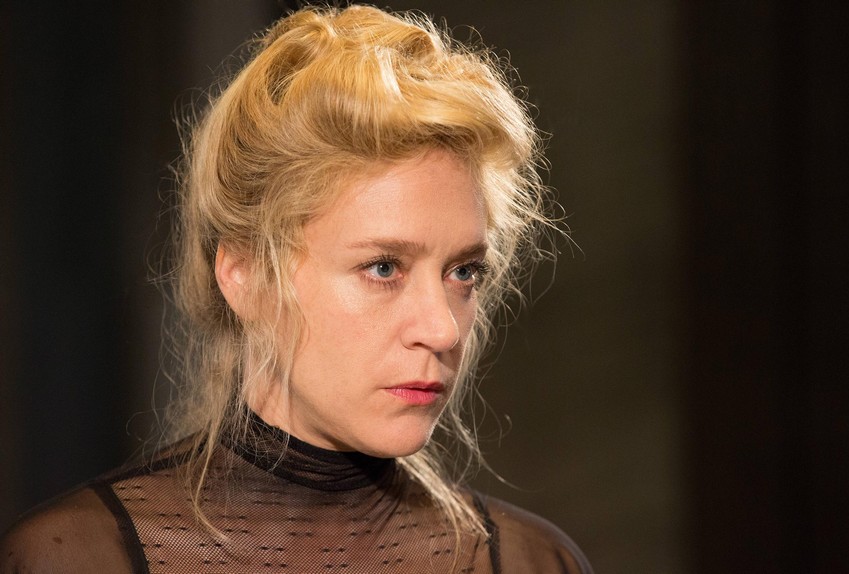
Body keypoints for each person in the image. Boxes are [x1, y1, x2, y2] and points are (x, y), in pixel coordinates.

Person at [0, 5, 593, 573]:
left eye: (463, 272)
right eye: (383, 268)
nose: (442, 329)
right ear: (245, 276)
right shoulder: (76, 558)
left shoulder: (533, 563)